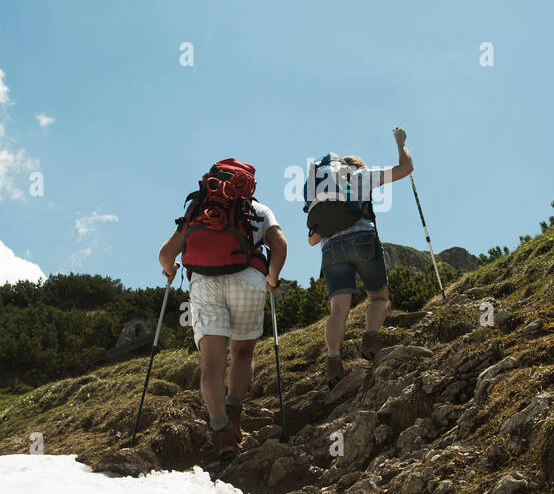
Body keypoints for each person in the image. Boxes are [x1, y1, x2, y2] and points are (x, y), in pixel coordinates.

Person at [158, 159, 286, 462]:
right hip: (248, 280)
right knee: (243, 353)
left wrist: (170, 270)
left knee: (211, 361)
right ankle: (234, 409)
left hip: (204, 283)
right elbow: (279, 244)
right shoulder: (259, 210)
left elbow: (165, 254)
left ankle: (221, 433)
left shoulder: (196, 210)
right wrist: (272, 278)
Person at [305, 128, 414, 387]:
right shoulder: (363, 176)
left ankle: (333, 361)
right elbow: (406, 168)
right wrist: (401, 143)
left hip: (331, 249)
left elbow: (312, 239)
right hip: (363, 239)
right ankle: (371, 339)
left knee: (339, 310)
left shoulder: (322, 192)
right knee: (378, 297)